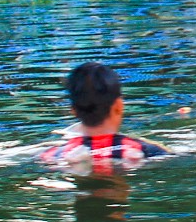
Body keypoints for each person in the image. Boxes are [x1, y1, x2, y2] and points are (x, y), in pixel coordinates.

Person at [40, 62, 169, 170]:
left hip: (74, 160)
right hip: (127, 159)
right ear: (119, 106)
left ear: (73, 111)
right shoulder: (142, 148)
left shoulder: (56, 153)